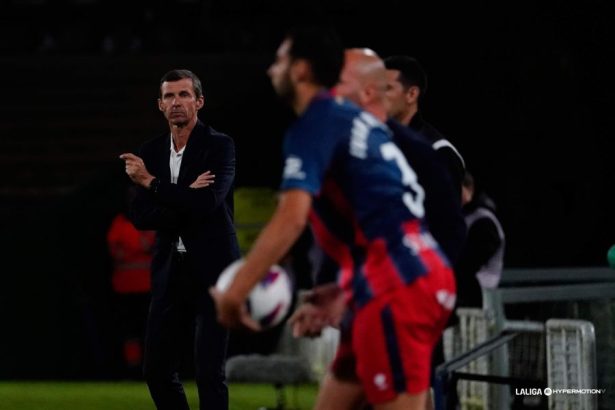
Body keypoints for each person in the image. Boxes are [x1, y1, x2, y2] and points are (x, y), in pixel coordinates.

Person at [210, 27, 456, 410]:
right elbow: (383, 212)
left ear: (301, 70)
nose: (271, 70)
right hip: (390, 280)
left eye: (280, 60)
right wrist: (343, 287)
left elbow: (291, 218)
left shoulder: (316, 121)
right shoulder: (350, 120)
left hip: (398, 287)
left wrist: (236, 290)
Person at [120, 69, 240, 410]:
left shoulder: (219, 145)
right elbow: (141, 216)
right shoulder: (151, 150)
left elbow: (208, 203)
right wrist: (184, 194)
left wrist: (152, 184)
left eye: (184, 95)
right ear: (160, 105)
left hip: (213, 270)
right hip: (170, 270)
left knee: (208, 372)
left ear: (199, 102)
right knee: (156, 370)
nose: (176, 102)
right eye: (169, 96)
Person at [384, 56, 466, 195]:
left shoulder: (439, 151)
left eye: (387, 88)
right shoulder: (376, 137)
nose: (378, 95)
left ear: (411, 94)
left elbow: (445, 215)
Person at [106, 185, 155, 378]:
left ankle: (152, 367)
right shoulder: (119, 223)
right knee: (130, 333)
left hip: (149, 287)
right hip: (125, 288)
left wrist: (133, 246)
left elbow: (148, 244)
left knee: (150, 331)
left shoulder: (151, 219)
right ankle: (132, 369)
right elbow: (116, 250)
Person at [456, 171, 505, 308]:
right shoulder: (467, 216)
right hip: (469, 296)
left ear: (469, 189)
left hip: (480, 300)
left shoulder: (483, 220)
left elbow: (468, 263)